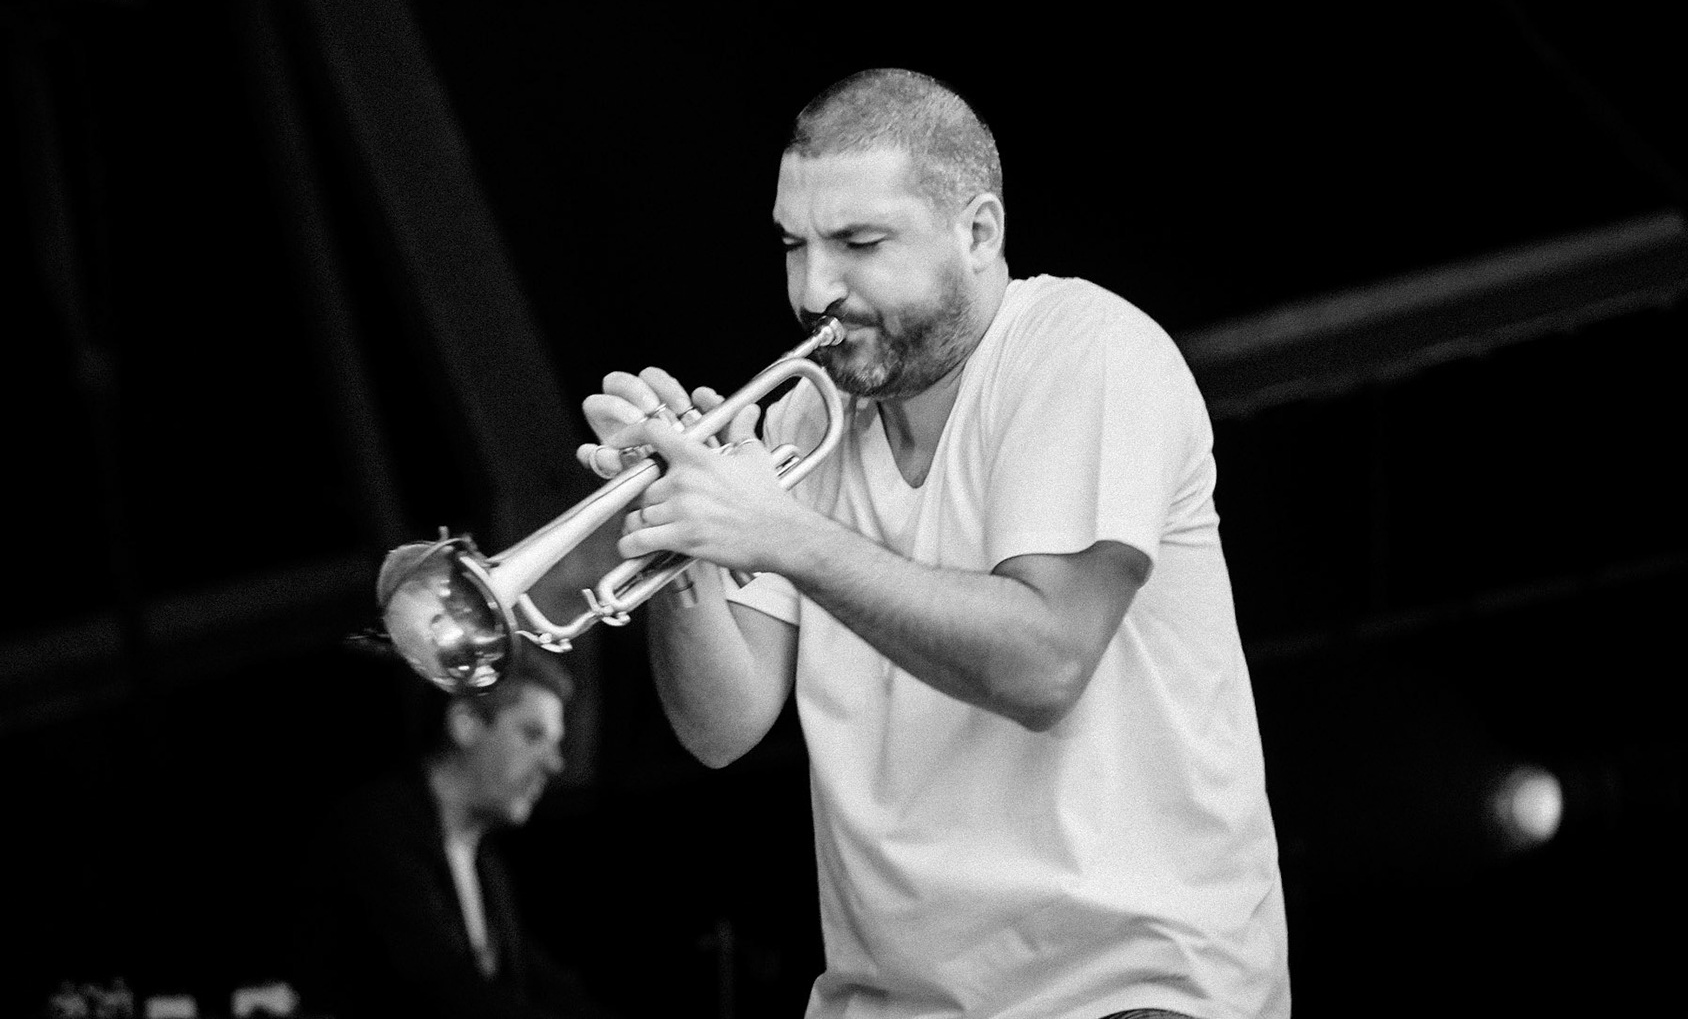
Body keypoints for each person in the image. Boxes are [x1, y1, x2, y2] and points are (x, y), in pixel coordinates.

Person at [578, 69, 1290, 1018]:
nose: (814, 289)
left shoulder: (1086, 350)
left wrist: (783, 533)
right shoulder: (800, 422)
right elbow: (720, 728)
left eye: (859, 244)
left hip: (1130, 987)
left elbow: (1043, 663)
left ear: (979, 231)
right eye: (795, 246)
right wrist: (682, 536)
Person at [292, 641, 619, 1019]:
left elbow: (538, 980)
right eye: (532, 735)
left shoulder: (483, 859)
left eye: (555, 743)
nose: (554, 764)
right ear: (465, 723)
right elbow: (441, 990)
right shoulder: (377, 829)